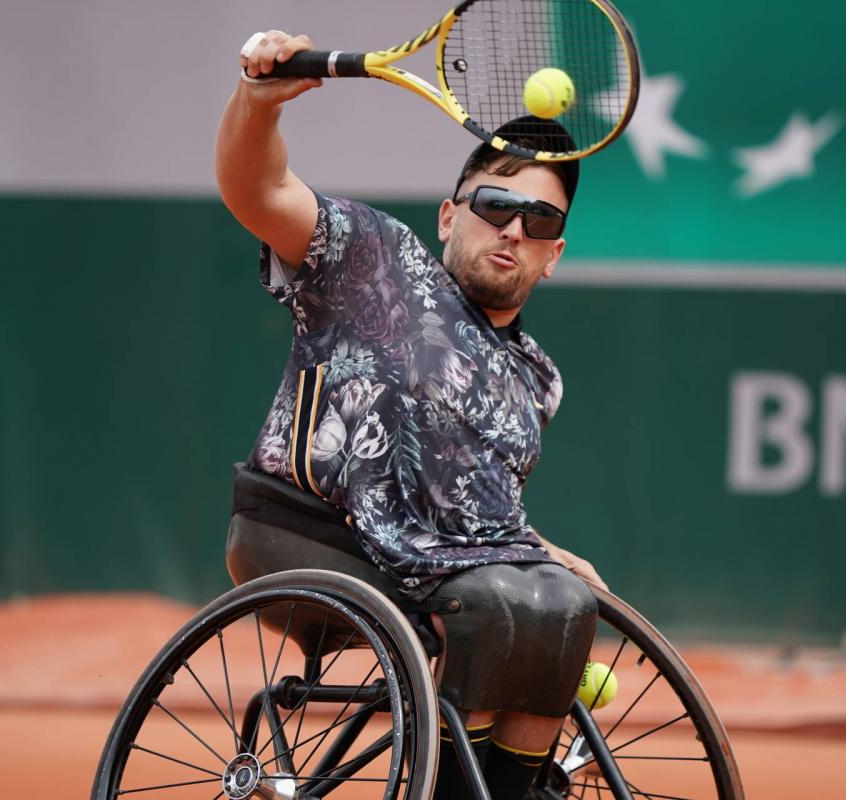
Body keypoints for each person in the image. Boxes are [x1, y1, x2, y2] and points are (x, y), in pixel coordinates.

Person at [217, 29, 608, 800]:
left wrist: (544, 553)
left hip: (447, 570)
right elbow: (256, 192)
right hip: (312, 534)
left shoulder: (538, 380)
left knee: (562, 602)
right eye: (498, 204)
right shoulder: (376, 260)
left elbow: (472, 504)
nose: (515, 230)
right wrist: (256, 105)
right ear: (449, 215)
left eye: (541, 221)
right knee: (504, 602)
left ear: (554, 254)